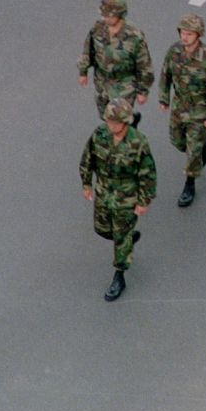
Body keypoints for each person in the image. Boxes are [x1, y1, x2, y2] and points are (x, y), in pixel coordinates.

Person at [80, 99, 158, 302]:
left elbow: (147, 173)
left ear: (125, 122)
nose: (110, 125)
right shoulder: (100, 135)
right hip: (104, 193)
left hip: (126, 198)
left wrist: (144, 201)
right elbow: (88, 158)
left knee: (121, 238)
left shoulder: (138, 142)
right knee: (102, 229)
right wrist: (86, 183)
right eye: (109, 120)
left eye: (115, 121)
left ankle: (119, 275)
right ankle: (128, 240)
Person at [157, 13, 206, 208]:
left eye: (189, 33)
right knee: (178, 142)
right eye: (182, 32)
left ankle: (189, 184)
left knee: (192, 149)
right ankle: (201, 149)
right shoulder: (174, 51)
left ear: (198, 35)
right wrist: (164, 98)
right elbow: (165, 75)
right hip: (179, 107)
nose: (184, 37)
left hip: (199, 111)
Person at [77, 0, 153, 124]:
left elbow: (144, 65)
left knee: (119, 121)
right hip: (102, 82)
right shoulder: (98, 28)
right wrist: (83, 72)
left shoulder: (134, 36)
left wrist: (143, 91)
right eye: (104, 14)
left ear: (119, 14)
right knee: (106, 117)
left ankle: (128, 132)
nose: (105, 18)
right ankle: (131, 121)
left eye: (109, 15)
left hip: (125, 84)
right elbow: (88, 49)